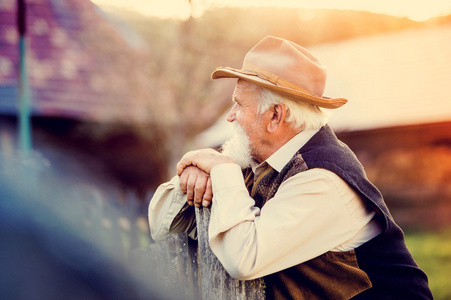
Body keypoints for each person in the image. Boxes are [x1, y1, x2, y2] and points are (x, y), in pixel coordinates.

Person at [148, 36, 432, 299]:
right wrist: (199, 170)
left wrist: (222, 170)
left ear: (275, 116)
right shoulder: (256, 160)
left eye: (238, 105)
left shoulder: (323, 179)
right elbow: (163, 225)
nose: (231, 117)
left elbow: (243, 259)